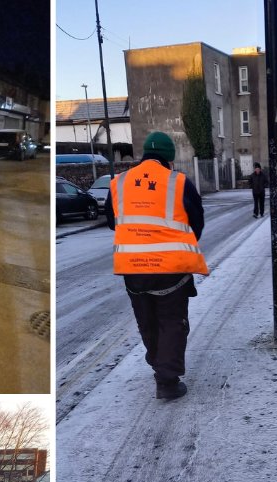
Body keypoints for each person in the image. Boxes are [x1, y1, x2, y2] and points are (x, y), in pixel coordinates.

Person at [105, 131, 207, 400]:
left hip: (132, 269)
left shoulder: (119, 182)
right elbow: (197, 222)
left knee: (146, 320)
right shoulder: (178, 182)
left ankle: (158, 363)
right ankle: (167, 381)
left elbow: (111, 220)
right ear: (169, 160)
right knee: (172, 321)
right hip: (170, 271)